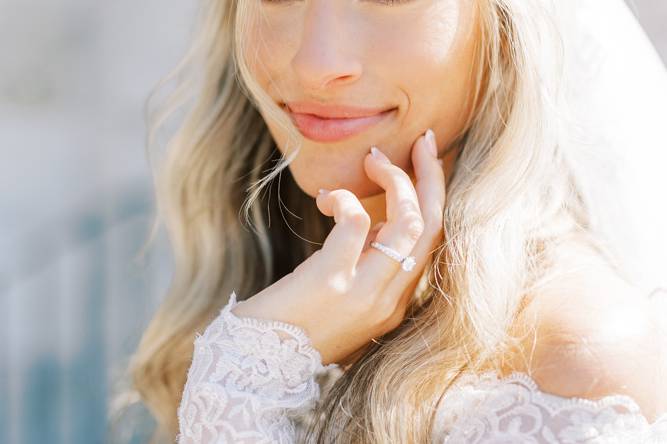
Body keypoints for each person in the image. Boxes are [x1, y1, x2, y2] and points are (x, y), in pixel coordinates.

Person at [121, 0, 667, 442]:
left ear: (503, 26)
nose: (315, 63)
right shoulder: (288, 280)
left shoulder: (574, 367)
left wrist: (244, 380)